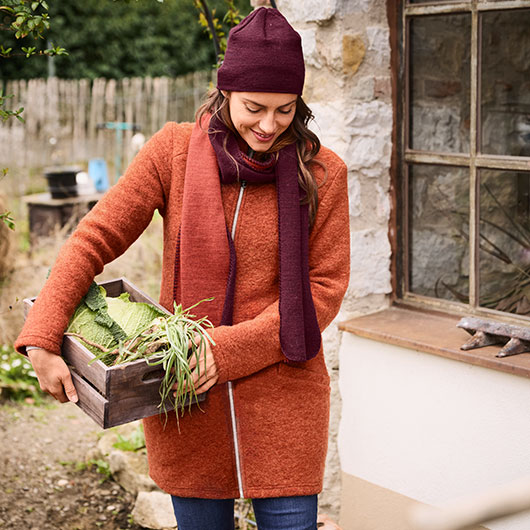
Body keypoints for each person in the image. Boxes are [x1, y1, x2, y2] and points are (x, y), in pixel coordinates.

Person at [15, 7, 350, 530]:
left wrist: (225, 350)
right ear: (225, 92)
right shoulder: (172, 152)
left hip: (284, 395)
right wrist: (41, 335)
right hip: (185, 394)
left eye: (285, 110)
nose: (269, 125)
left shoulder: (324, 172)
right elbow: (93, 238)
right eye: (254, 107)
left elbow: (324, 289)